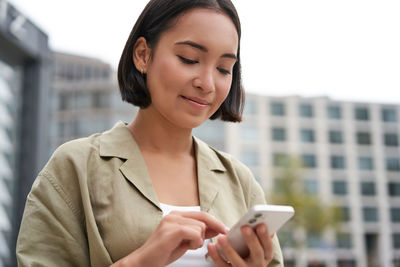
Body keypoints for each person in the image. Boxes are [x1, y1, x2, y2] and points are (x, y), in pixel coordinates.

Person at [16, 0, 284, 266]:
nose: (207, 83)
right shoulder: (76, 167)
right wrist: (141, 261)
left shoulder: (241, 182)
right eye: (189, 59)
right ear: (143, 55)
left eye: (224, 69)